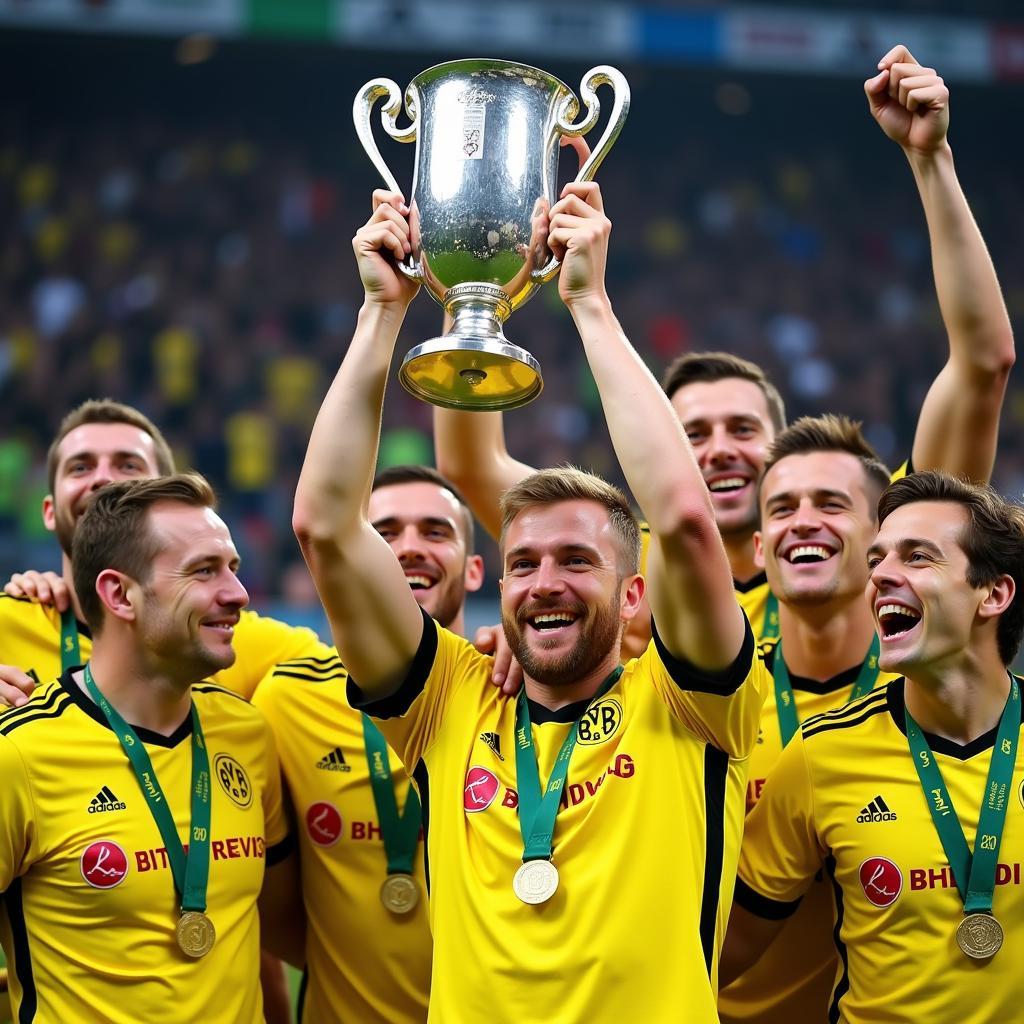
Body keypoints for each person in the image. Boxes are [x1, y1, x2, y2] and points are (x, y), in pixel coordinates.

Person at [292, 178, 766, 1021]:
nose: (545, 580)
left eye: (576, 560)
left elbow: (687, 524)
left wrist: (590, 304)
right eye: (526, 563)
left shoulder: (690, 706)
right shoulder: (449, 702)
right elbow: (327, 527)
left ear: (632, 595)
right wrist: (381, 315)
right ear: (499, 585)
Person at [433, 44, 1013, 666]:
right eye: (693, 435)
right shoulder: (633, 558)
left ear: (781, 445)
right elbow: (472, 462)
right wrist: (476, 283)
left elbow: (982, 364)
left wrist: (931, 160)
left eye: (743, 429)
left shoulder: (874, 542)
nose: (718, 450)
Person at [717, 46, 1015, 1024]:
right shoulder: (701, 671)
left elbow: (981, 362)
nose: (805, 520)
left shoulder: (921, 657)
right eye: (780, 507)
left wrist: (930, 161)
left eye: (836, 506)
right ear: (758, 546)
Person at [0, 399, 320, 1022]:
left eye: (232, 568)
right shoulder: (20, 753)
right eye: (204, 572)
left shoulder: (247, 732)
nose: (237, 594)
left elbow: (258, 930)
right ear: (118, 593)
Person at [723, 471, 1024, 1023]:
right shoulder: (822, 755)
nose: (881, 576)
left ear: (994, 593)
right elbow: (717, 954)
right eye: (877, 560)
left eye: (917, 557)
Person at [254, 464, 484, 1023]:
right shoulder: (286, 699)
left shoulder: (510, 691)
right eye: (383, 533)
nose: (408, 549)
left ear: (474, 570)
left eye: (435, 531)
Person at [0, 398, 322, 708]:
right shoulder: (7, 624)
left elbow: (355, 677)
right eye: (80, 467)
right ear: (49, 511)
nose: (103, 478)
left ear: (166, 499)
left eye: (128, 464)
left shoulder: (231, 634)